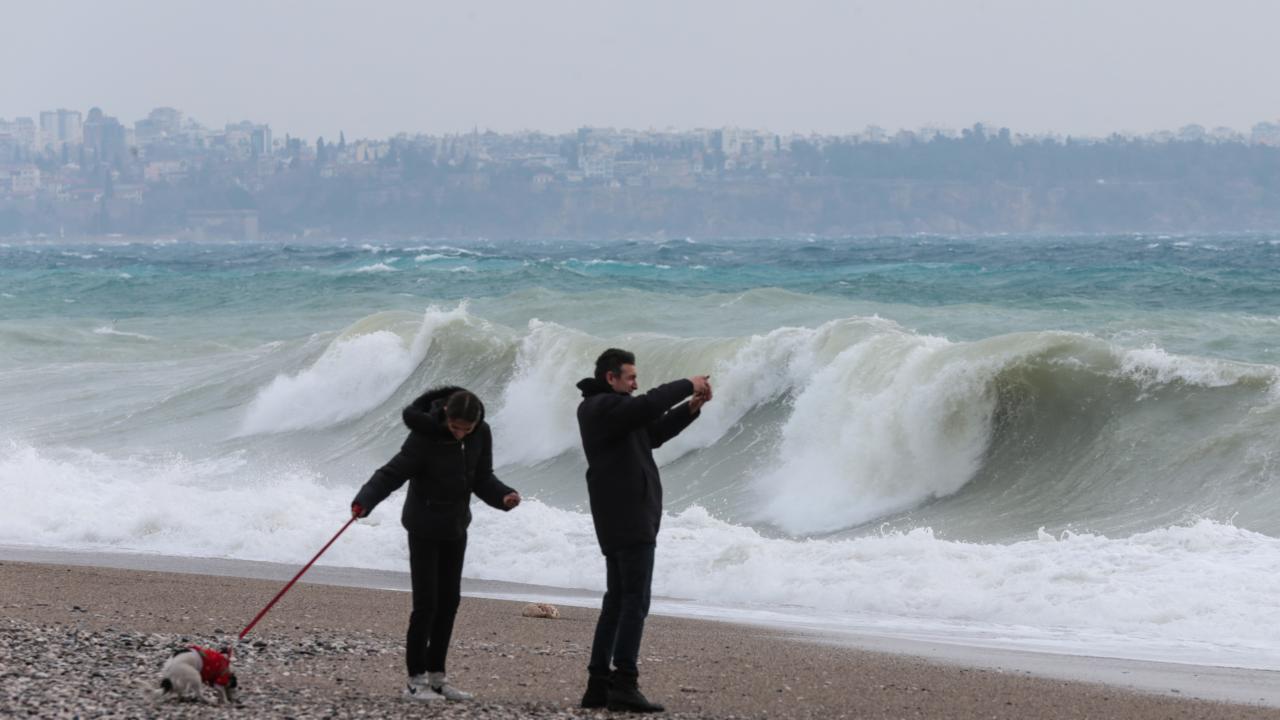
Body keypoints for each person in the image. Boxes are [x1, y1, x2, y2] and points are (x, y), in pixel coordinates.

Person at [351, 386, 520, 703]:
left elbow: (482, 478)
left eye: (466, 429)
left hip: (455, 527)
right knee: (426, 605)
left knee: (449, 602)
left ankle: (437, 677)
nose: (460, 434)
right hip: (423, 526)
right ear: (445, 415)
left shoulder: (481, 433)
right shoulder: (424, 435)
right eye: (455, 427)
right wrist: (364, 501)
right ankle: (415, 681)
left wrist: (503, 496)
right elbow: (392, 472)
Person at [575, 348, 712, 713]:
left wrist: (691, 407)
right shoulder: (600, 407)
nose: (636, 384)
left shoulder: (615, 413)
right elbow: (648, 406)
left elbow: (652, 433)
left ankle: (598, 686)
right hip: (628, 516)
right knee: (635, 600)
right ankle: (624, 682)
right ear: (611, 377)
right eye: (631, 377)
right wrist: (687, 383)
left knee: (618, 600)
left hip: (622, 515)